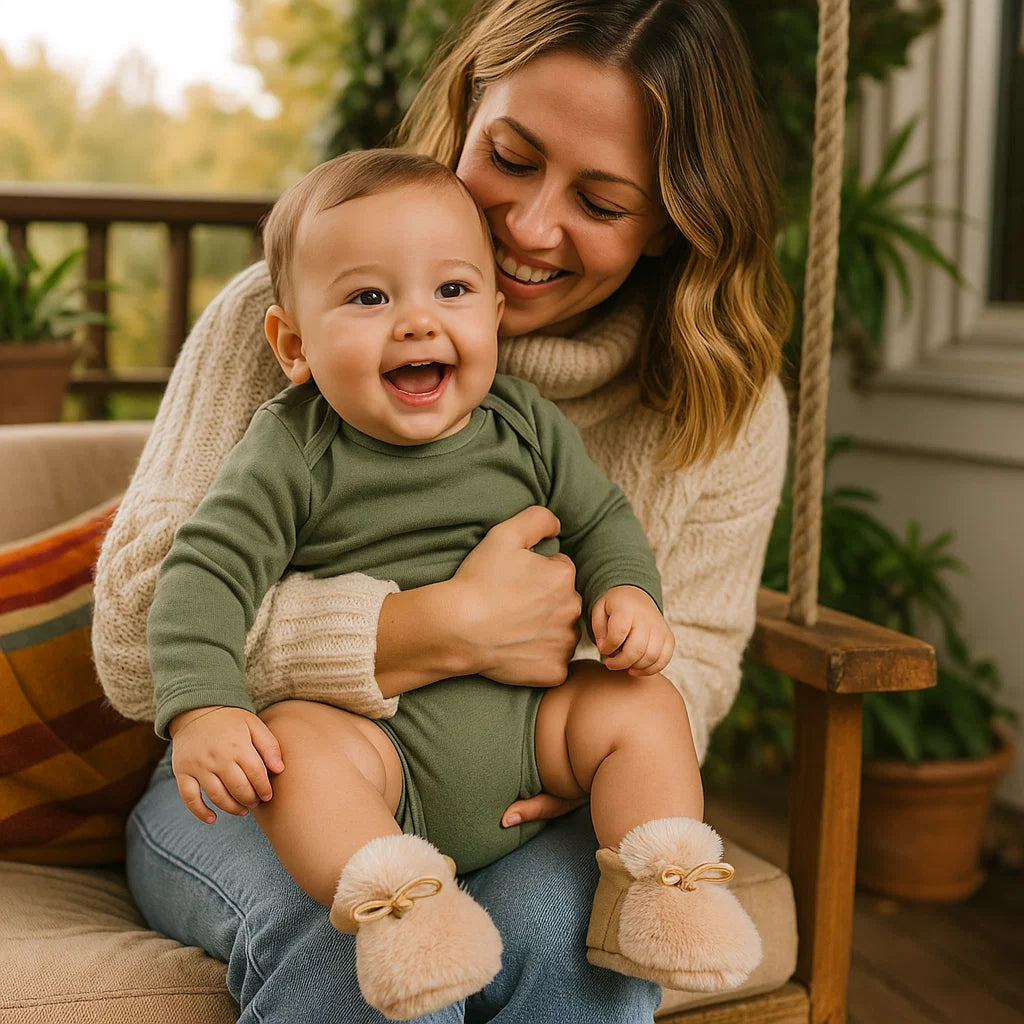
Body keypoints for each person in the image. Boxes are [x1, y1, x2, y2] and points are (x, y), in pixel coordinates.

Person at [92, 1, 792, 1021]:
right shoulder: (290, 330)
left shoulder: (714, 401)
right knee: (358, 946)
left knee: (572, 940)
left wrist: (582, 732)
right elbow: (133, 633)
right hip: (278, 775)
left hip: (527, 773)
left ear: (669, 226)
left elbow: (693, 656)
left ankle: (661, 882)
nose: (529, 227)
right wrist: (433, 630)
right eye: (510, 157)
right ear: (464, 112)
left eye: (601, 202)